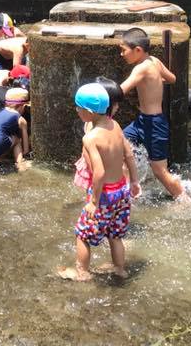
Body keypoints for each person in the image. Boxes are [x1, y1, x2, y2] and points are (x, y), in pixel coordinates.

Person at [57, 83, 140, 282]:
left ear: (89, 112)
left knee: (83, 236)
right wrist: (135, 181)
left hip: (104, 194)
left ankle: (82, 272)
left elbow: (99, 171)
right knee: (115, 234)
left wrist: (94, 201)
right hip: (121, 190)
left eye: (78, 108)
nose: (77, 111)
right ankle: (119, 268)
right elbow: (129, 154)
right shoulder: (115, 125)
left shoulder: (91, 138)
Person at [119, 27, 186, 199]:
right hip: (144, 121)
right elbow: (172, 78)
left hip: (154, 124)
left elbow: (121, 90)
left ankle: (184, 199)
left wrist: (100, 94)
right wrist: (155, 79)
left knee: (160, 171)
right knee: (121, 143)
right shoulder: (154, 61)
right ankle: (127, 191)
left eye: (123, 50)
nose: (122, 54)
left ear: (138, 50)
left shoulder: (141, 69)